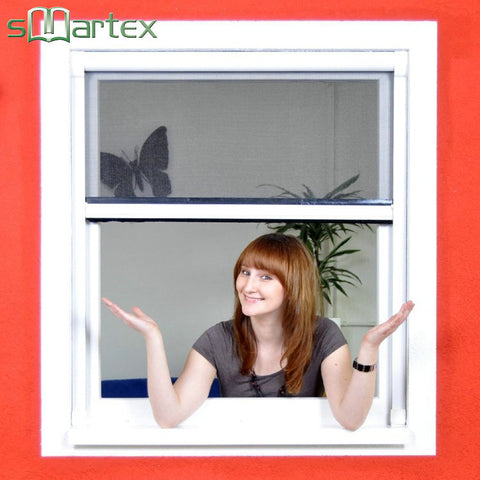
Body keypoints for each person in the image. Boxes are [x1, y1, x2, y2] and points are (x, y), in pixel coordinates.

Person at [102, 233, 414, 430]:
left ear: (292, 287)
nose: (248, 286)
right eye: (245, 272)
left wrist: (369, 348)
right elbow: (168, 416)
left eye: (266, 277)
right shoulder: (218, 339)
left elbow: (351, 419)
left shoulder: (323, 335)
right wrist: (153, 339)